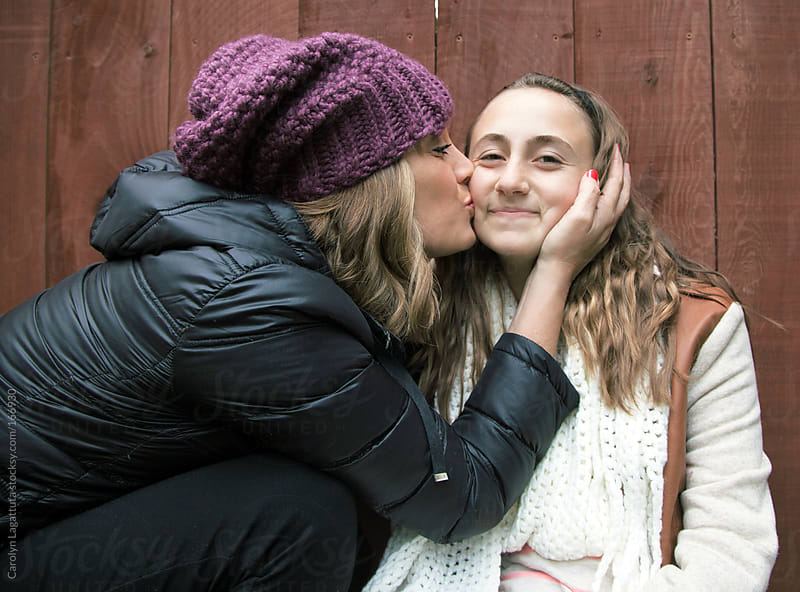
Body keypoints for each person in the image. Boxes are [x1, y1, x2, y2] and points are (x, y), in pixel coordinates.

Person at [0, 37, 628, 591]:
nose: (468, 169)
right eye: (439, 149)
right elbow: (461, 494)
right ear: (372, 181)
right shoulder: (252, 306)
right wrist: (554, 272)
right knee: (303, 519)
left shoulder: (260, 261)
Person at [365, 73, 778, 591]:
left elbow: (733, 541)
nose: (511, 180)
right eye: (491, 156)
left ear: (603, 183)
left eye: (548, 159)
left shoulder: (688, 321)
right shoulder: (420, 312)